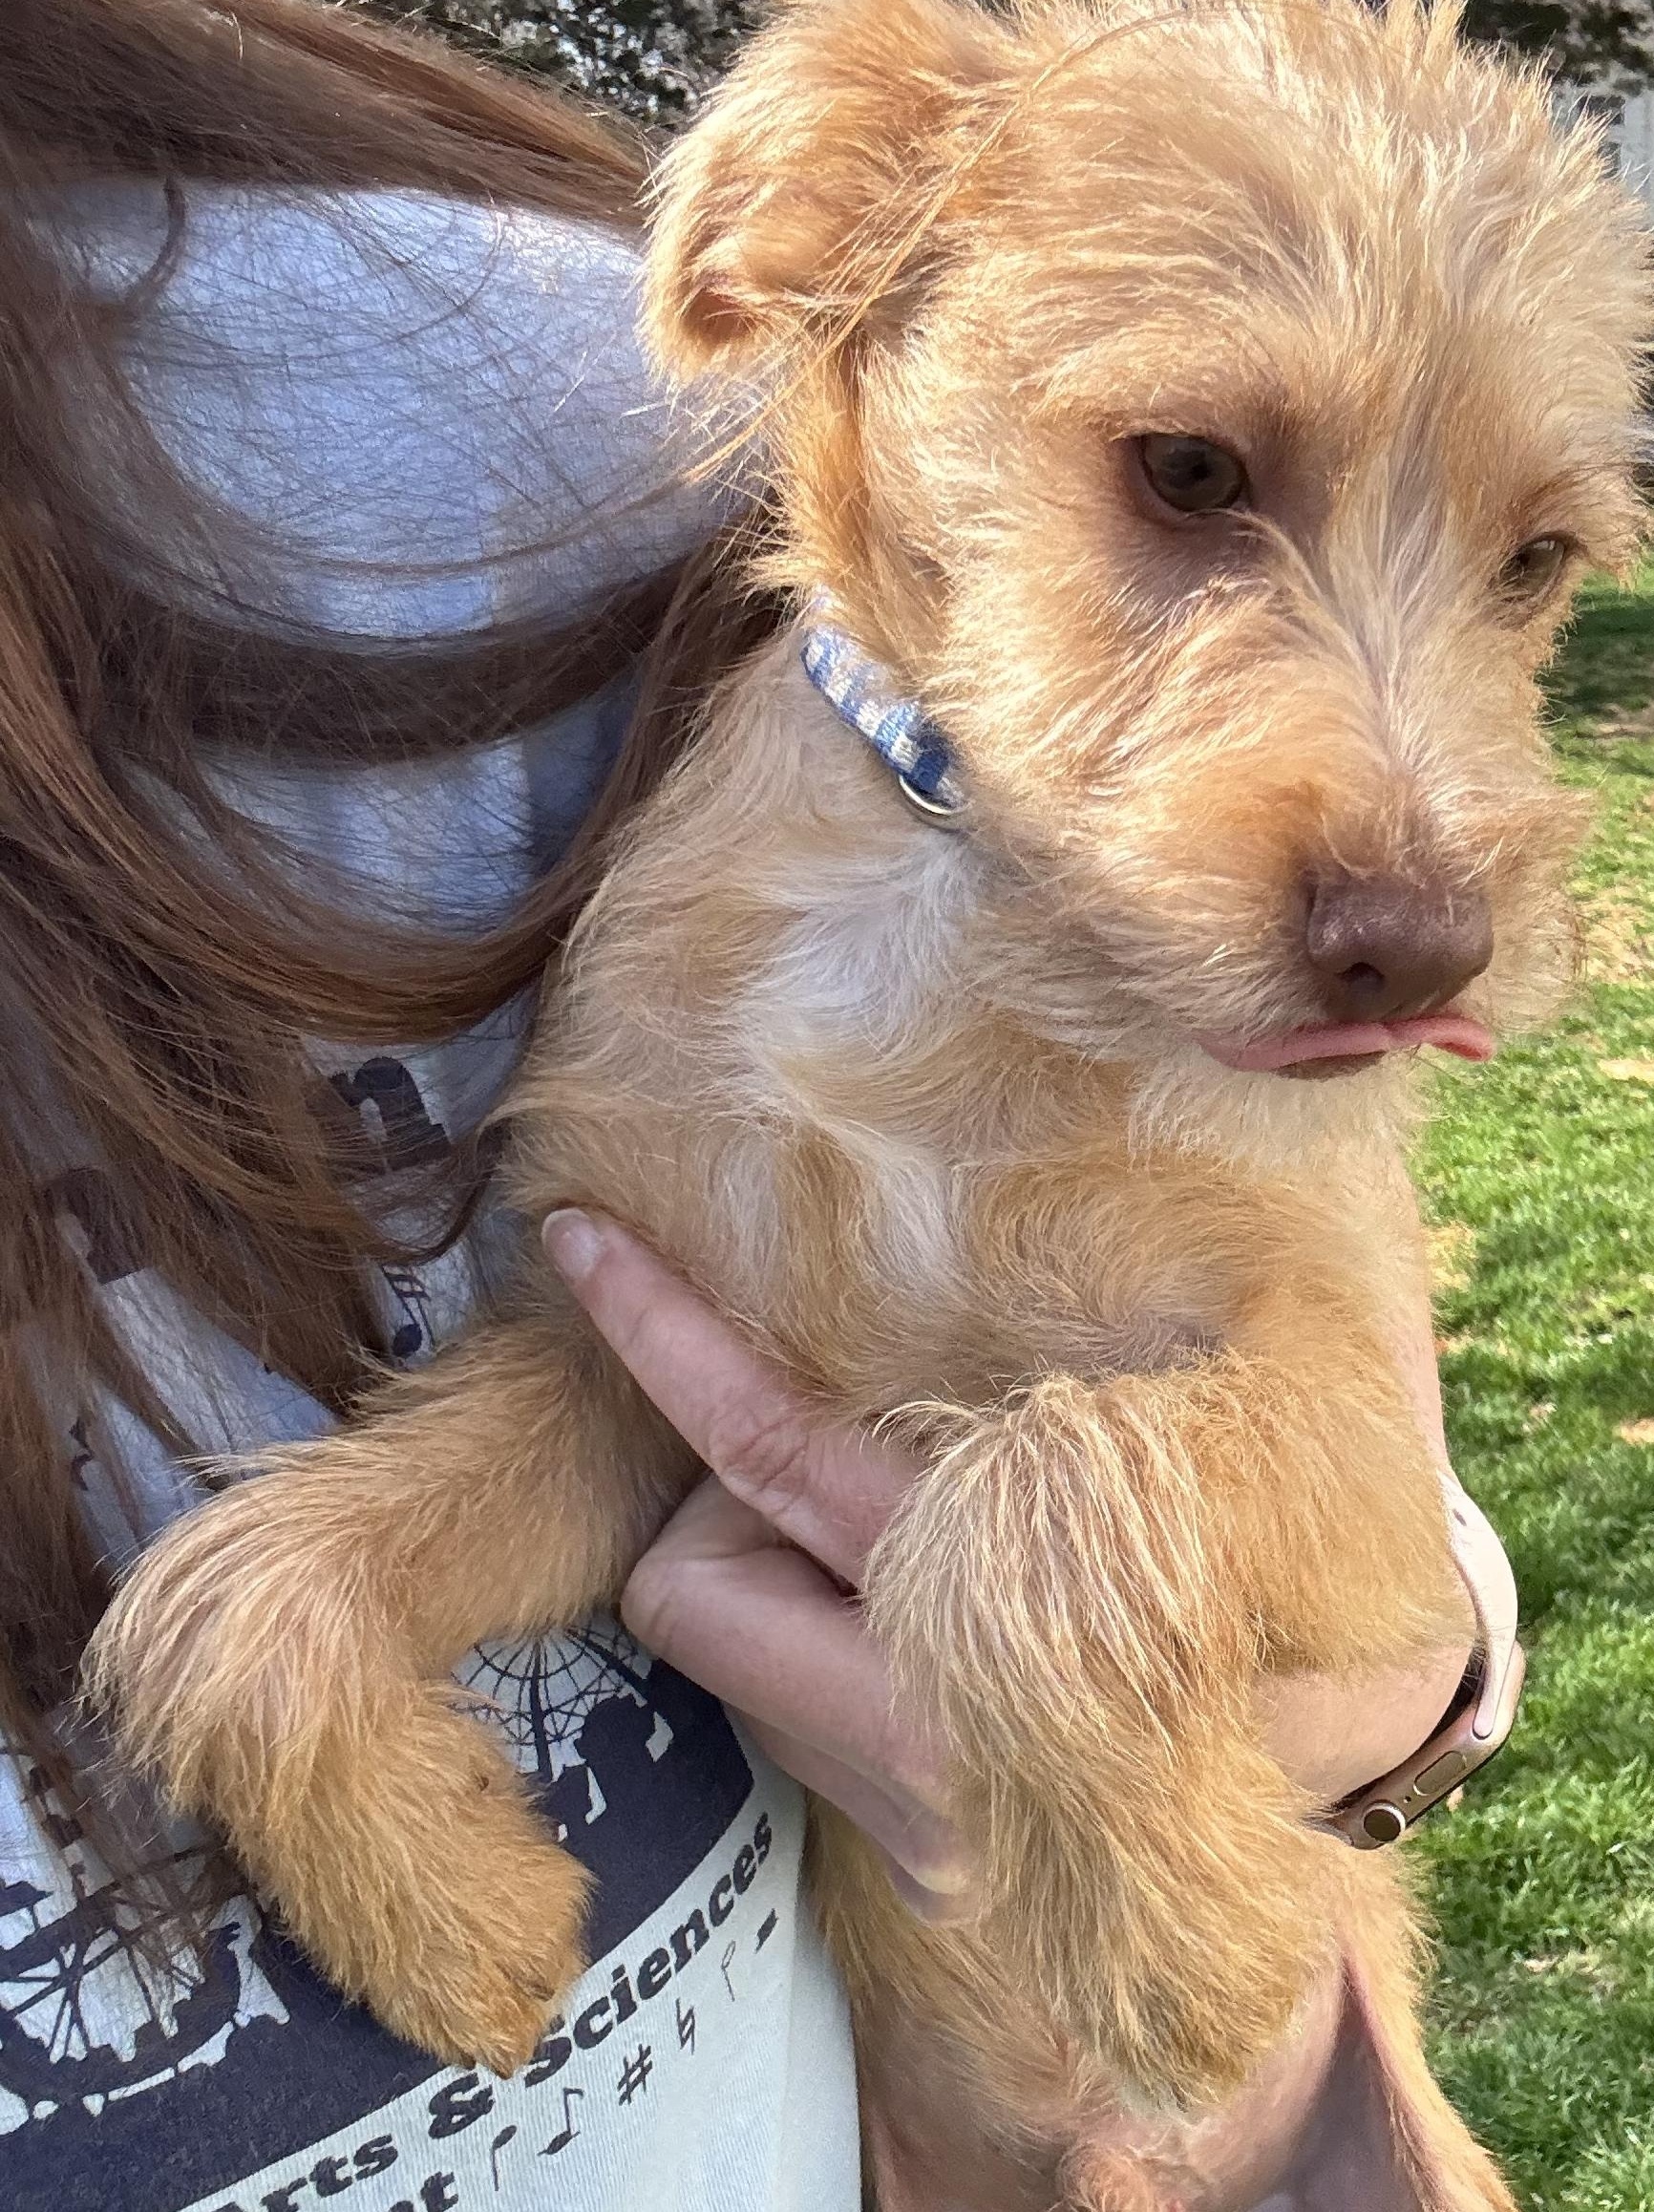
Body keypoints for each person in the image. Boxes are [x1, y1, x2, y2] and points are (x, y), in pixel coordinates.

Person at [0, 3, 1514, 2206]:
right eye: (1189, 474)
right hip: (895, 2121)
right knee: (266, 1605)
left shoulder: (498, 384)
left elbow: (1385, 1530)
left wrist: (1101, 1602)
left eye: (1534, 565)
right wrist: (300, 1628)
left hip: (1276, 2129)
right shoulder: (710, 892)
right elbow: (626, 1398)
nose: (1425, 816)